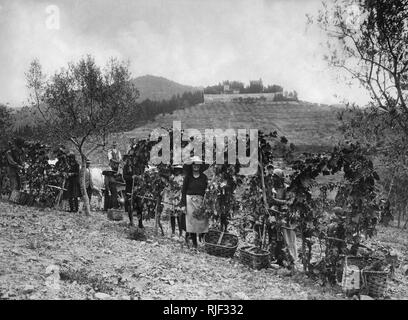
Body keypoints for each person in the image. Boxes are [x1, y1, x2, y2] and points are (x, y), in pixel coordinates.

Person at [267, 168, 296, 267]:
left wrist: (275, 201)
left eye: (276, 178)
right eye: (273, 178)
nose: (274, 180)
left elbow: (289, 202)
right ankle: (275, 257)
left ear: (280, 178)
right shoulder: (272, 188)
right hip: (273, 215)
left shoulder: (286, 188)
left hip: (283, 216)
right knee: (273, 236)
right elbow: (268, 201)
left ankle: (286, 259)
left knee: (284, 238)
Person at [179, 156, 208, 249]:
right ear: (191, 166)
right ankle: (195, 244)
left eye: (198, 165)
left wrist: (206, 201)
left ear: (200, 166)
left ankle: (201, 239)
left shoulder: (204, 177)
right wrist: (183, 204)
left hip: (201, 200)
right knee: (191, 223)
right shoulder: (188, 177)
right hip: (189, 200)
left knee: (202, 221)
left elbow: (206, 190)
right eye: (194, 165)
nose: (196, 166)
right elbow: (183, 191)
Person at [162, 164, 185, 238]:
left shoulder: (182, 178)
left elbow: (182, 188)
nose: (177, 171)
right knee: (172, 216)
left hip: (178, 198)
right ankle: (173, 231)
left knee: (179, 216)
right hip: (172, 198)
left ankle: (181, 232)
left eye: (178, 170)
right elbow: (169, 186)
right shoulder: (172, 177)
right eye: (176, 169)